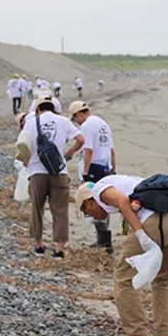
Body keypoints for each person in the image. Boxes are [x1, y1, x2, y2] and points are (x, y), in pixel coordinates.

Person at [75, 175, 168, 336]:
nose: (92, 217)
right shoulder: (133, 182)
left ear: (89, 202)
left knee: (124, 278)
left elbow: (122, 202)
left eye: (87, 213)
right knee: (163, 278)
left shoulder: (100, 188)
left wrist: (141, 235)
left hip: (155, 223)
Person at [22, 96, 85, 259]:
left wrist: (26, 161)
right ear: (54, 108)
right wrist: (69, 153)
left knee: (37, 209)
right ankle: (59, 250)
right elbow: (81, 139)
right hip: (59, 171)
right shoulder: (63, 121)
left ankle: (39, 246)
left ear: (38, 109)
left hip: (37, 171)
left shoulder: (30, 123)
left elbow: (23, 146)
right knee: (60, 211)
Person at [69, 101, 116, 252]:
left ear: (79, 114)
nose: (76, 122)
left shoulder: (87, 125)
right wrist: (113, 169)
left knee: (94, 204)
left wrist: (85, 173)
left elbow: (88, 150)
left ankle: (103, 242)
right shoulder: (103, 124)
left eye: (75, 118)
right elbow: (112, 150)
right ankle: (104, 240)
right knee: (103, 203)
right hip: (105, 167)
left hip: (94, 167)